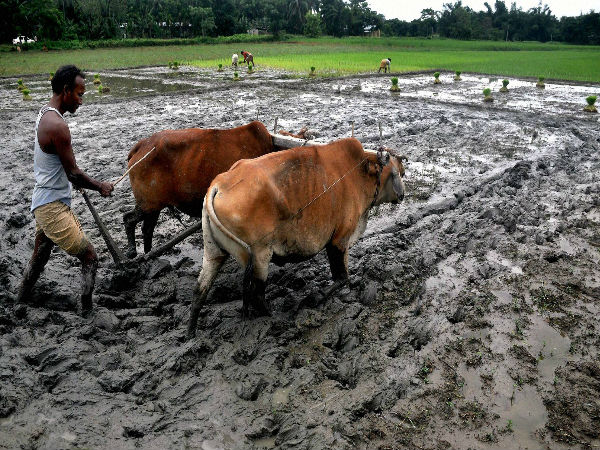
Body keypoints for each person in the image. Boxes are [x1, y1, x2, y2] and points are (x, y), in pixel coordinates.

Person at [16, 65, 114, 315]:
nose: (81, 101)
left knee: (39, 257)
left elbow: (60, 165)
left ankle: (20, 299)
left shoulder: (45, 113)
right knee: (90, 257)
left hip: (44, 200)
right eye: (79, 94)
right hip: (51, 207)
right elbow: (73, 173)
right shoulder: (58, 126)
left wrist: (75, 180)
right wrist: (100, 186)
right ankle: (87, 311)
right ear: (66, 90)